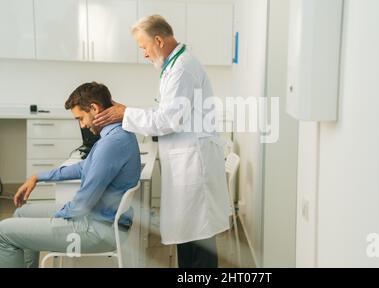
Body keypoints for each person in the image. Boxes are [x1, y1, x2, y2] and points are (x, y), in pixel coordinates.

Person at [93, 15, 231, 268]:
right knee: (189, 235)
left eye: (144, 47)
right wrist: (128, 112)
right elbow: (166, 114)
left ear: (158, 40)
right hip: (186, 160)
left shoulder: (182, 69)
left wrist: (126, 113)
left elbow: (167, 120)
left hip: (194, 163)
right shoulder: (174, 67)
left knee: (199, 239)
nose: (144, 54)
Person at [0, 82, 141, 268]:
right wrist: (38, 176)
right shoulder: (117, 134)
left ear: (94, 108)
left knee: (3, 232)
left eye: (80, 118)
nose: (82, 125)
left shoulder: (111, 143)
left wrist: (56, 217)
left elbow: (81, 205)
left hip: (98, 230)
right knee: (21, 213)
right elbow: (84, 167)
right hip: (99, 220)